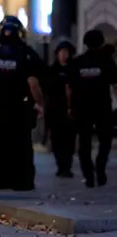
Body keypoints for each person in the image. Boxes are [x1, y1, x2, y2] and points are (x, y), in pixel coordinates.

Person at [0, 15, 45, 191]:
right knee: (21, 147)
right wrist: (39, 104)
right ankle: (22, 182)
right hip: (19, 109)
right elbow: (33, 82)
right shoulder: (27, 55)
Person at [67, 29, 117, 188]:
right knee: (105, 141)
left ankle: (89, 175)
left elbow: (69, 88)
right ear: (101, 42)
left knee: (84, 143)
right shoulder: (107, 61)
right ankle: (100, 167)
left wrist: (70, 106)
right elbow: (115, 84)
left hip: (82, 108)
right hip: (103, 107)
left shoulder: (77, 62)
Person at [47, 39, 76, 178]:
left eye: (67, 52)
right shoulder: (52, 70)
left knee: (69, 140)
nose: (64, 55)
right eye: (61, 52)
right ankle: (60, 166)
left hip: (70, 111)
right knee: (57, 140)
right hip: (55, 110)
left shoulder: (74, 69)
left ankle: (67, 167)